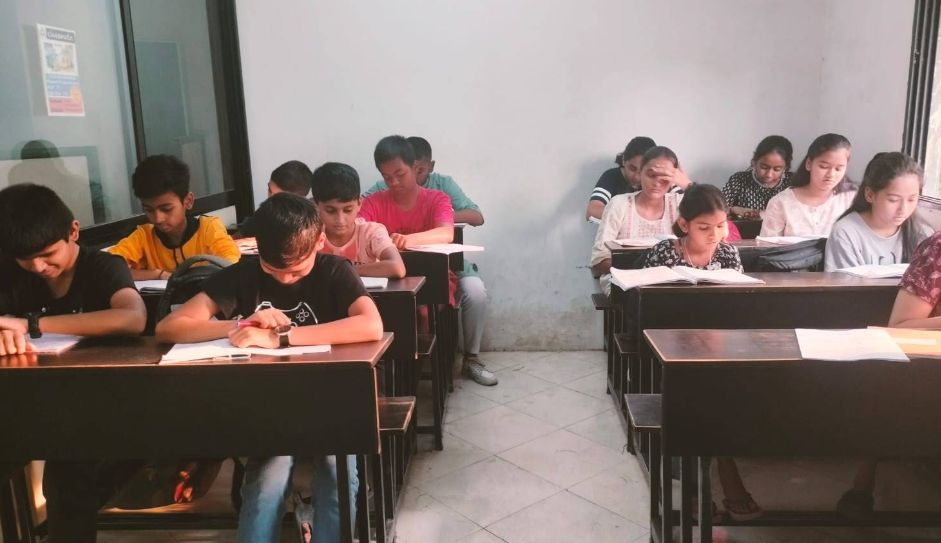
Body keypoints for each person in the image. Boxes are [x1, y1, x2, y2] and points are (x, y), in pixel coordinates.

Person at [156, 192, 384, 543]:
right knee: (266, 481)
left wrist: (282, 338)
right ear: (257, 250)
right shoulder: (243, 274)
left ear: (319, 242)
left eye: (296, 270)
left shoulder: (334, 270)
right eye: (272, 270)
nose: (285, 279)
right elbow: (170, 327)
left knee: (336, 471)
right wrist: (243, 324)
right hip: (269, 408)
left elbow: (371, 325)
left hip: (331, 402)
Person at [0, 183, 147, 542]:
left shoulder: (102, 267)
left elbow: (132, 318)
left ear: (74, 231)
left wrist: (31, 324)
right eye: (25, 258)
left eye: (47, 254)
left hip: (101, 407)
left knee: (68, 479)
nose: (38, 266)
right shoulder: (12, 274)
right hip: (28, 405)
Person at [639, 184, 761, 520]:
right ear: (684, 224)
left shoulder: (728, 254)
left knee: (717, 390)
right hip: (669, 345)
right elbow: (651, 310)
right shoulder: (665, 252)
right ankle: (714, 476)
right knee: (693, 392)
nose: (714, 235)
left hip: (717, 345)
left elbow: (738, 309)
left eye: (721, 226)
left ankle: (708, 477)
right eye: (704, 227)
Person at [363, 136, 495, 385]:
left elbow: (447, 232)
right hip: (387, 282)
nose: (394, 182)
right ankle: (386, 375)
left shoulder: (438, 196)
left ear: (416, 167)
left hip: (433, 278)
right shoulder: (375, 199)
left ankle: (421, 373)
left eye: (400, 174)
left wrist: (405, 240)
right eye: (387, 177)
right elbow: (360, 227)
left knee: (431, 309)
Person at [109, 154, 240, 279]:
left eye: (166, 209)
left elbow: (231, 264)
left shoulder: (208, 229)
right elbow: (108, 267)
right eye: (148, 210)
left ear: (188, 201)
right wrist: (156, 274)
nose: (158, 219)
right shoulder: (143, 237)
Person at [590, 146, 685, 294]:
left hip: (670, 283)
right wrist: (644, 269)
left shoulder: (680, 204)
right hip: (625, 281)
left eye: (664, 177)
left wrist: (687, 184)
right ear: (640, 174)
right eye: (651, 175)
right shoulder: (619, 204)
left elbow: (716, 214)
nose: (657, 183)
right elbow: (599, 261)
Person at [825, 152, 932, 271]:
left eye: (911, 199)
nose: (903, 209)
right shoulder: (846, 232)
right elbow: (845, 282)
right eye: (893, 200)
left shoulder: (923, 234)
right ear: (870, 195)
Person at [310, 161, 405, 278]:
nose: (340, 220)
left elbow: (397, 267)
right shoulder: (310, 236)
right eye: (330, 211)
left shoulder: (371, 232)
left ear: (359, 204)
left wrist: (342, 271)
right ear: (316, 206)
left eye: (348, 210)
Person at [760, 134, 857, 237]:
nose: (831, 175)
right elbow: (767, 245)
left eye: (838, 169)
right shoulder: (781, 203)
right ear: (809, 164)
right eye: (824, 166)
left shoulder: (851, 200)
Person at [586, 137, 657, 221]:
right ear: (624, 160)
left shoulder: (657, 181)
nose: (637, 177)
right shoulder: (612, 176)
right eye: (632, 169)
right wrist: (628, 217)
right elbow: (592, 211)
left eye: (643, 171)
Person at [722, 135, 793, 217]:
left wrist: (751, 213)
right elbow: (717, 209)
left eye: (777, 169)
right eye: (764, 167)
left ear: (785, 167)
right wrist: (731, 210)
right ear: (754, 162)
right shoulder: (739, 180)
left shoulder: (792, 183)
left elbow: (797, 214)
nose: (769, 174)